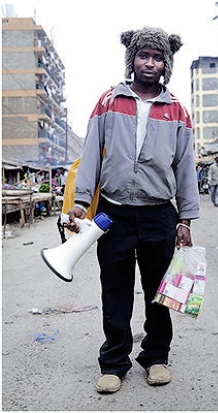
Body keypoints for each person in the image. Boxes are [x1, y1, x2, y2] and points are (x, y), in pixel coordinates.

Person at [66, 27, 197, 394]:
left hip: (159, 213)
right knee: (115, 289)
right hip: (114, 213)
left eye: (157, 57)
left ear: (166, 63)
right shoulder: (109, 102)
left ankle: (156, 357)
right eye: (143, 55)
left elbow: (185, 166)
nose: (149, 63)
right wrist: (81, 201)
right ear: (132, 59)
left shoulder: (176, 110)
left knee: (160, 292)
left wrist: (186, 218)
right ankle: (113, 362)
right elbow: (92, 153)